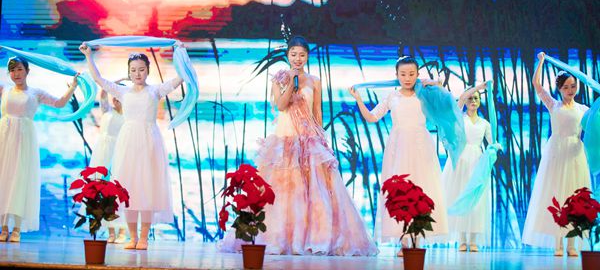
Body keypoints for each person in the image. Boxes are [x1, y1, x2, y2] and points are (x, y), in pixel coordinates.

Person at [220, 36, 377, 256]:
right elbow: (281, 105)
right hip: (284, 140)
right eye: (293, 54)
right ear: (287, 56)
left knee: (314, 192)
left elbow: (317, 112)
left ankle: (312, 238)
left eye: (302, 55)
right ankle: (279, 238)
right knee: (283, 191)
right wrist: (290, 81)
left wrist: (321, 138)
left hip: (309, 141)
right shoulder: (279, 79)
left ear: (307, 57)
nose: (297, 58)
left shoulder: (315, 81)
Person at [79, 43, 183, 250]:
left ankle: (144, 238)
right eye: (133, 70)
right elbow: (98, 79)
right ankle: (132, 237)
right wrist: (89, 56)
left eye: (141, 69)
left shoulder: (155, 90)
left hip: (149, 143)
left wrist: (180, 52)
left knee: (147, 189)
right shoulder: (122, 92)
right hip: (127, 143)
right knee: (127, 189)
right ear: (129, 72)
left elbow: (180, 78)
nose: (137, 73)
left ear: (148, 70)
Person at [348, 56, 449, 256]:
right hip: (399, 147)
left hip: (421, 147)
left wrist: (436, 84)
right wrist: (359, 99)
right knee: (400, 193)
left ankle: (417, 240)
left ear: (418, 74)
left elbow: (445, 105)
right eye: (403, 74)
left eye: (411, 74)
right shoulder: (392, 97)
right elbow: (372, 117)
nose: (407, 78)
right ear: (396, 75)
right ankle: (404, 242)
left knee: (421, 190)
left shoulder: (424, 95)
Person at [0, 56, 78, 242]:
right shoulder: (5, 89)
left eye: (19, 69)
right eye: (12, 70)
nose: (16, 74)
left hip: (23, 140)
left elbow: (59, 103)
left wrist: (73, 87)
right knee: (3, 179)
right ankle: (3, 227)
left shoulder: (36, 93)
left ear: (27, 71)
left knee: (19, 180)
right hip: (4, 138)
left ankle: (17, 228)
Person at [522, 52, 591, 256]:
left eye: (573, 86)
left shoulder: (583, 109)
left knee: (574, 196)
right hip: (557, 153)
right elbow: (536, 84)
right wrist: (541, 62)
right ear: (559, 89)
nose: (570, 90)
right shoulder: (553, 105)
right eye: (566, 87)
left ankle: (572, 244)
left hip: (575, 154)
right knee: (557, 196)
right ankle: (558, 244)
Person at [442, 81, 493, 252]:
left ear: (480, 101)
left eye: (476, 98)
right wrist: (479, 87)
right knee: (461, 196)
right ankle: (462, 240)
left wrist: (493, 150)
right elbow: (462, 98)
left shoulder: (485, 123)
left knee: (476, 200)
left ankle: (473, 240)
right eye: (470, 98)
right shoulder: (459, 118)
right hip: (461, 160)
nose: (473, 101)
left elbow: (491, 142)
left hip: (477, 161)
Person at [89, 82, 127, 243]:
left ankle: (123, 232)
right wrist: (115, 83)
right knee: (104, 193)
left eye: (119, 96)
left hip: (119, 154)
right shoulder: (107, 111)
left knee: (119, 192)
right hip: (102, 155)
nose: (115, 99)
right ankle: (111, 231)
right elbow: (103, 94)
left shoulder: (128, 117)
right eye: (115, 95)